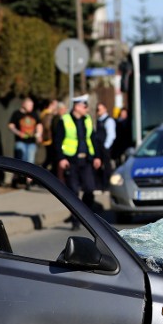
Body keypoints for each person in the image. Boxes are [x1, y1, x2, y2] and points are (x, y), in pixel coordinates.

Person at [54, 95, 101, 229]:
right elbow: (57, 141)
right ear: (77, 106)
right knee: (73, 192)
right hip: (71, 161)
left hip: (86, 160)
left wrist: (97, 156)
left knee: (90, 189)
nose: (87, 108)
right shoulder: (65, 120)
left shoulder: (87, 119)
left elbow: (92, 139)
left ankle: (84, 215)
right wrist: (61, 158)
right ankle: (75, 221)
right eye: (84, 106)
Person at [5, 97, 42, 188]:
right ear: (24, 104)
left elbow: (39, 125)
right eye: (30, 105)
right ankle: (15, 178)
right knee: (20, 159)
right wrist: (18, 133)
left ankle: (28, 181)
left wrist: (39, 134)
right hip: (20, 141)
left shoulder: (34, 114)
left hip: (31, 142)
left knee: (30, 160)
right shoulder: (17, 114)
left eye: (32, 105)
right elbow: (11, 125)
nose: (31, 107)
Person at [93, 102, 116, 191]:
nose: (98, 111)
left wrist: (106, 146)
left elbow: (111, 135)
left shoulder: (109, 120)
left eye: (100, 109)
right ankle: (100, 184)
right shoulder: (99, 120)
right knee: (98, 166)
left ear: (105, 109)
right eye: (97, 109)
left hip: (105, 147)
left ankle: (107, 185)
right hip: (99, 147)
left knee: (107, 167)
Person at [38, 99, 59, 174]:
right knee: (48, 159)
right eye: (56, 104)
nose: (57, 106)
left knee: (49, 159)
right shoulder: (47, 114)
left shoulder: (48, 114)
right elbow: (47, 126)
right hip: (48, 139)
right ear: (51, 104)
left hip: (48, 139)